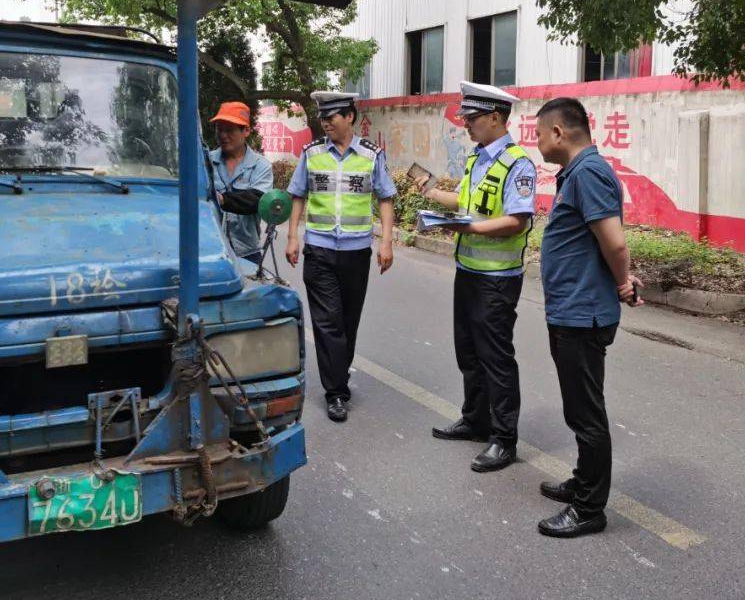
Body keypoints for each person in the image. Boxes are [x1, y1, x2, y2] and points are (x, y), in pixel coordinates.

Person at [533, 96, 643, 538]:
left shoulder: (591, 173)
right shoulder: (580, 173)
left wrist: (622, 282)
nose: (537, 141)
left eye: (539, 133)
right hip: (571, 309)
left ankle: (589, 509)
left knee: (586, 412)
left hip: (583, 314)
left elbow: (614, 243)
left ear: (559, 133)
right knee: (578, 407)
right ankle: (583, 479)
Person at [416, 82, 536, 473]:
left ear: (496, 118)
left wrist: (468, 230)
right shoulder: (477, 158)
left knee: (496, 358)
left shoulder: (518, 164)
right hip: (468, 272)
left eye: (472, 118)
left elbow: (518, 220)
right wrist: (433, 194)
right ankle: (475, 420)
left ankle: (504, 439)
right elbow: (466, 204)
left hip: (498, 279)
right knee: (468, 352)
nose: (465, 124)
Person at [285, 91, 396, 423]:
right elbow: (298, 194)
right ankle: (336, 392)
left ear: (349, 117)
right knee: (328, 323)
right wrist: (292, 237)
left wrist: (386, 241)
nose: (326, 123)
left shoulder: (371, 156)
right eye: (323, 118)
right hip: (318, 250)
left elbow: (386, 197)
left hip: (356, 252)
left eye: (332, 117)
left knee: (347, 322)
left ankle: (338, 374)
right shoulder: (312, 153)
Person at [207, 101, 274, 266]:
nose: (223, 135)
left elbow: (257, 199)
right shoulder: (205, 161)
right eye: (219, 129)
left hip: (247, 253)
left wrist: (223, 199)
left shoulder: (260, 165)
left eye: (229, 130)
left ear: (246, 130)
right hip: (210, 251)